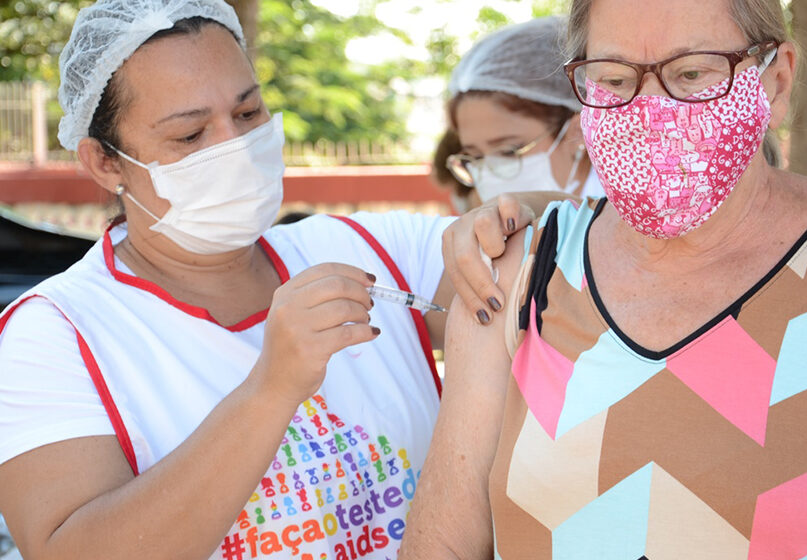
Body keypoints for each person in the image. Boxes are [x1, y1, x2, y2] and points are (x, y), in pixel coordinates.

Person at [400, 0, 807, 558]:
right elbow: (444, 545)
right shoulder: (520, 268)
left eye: (691, 74)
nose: (650, 110)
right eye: (613, 79)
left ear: (775, 81)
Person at [0, 1, 536, 559]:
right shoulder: (57, 334)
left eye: (249, 112)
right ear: (105, 163)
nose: (232, 145)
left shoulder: (364, 248)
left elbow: (535, 262)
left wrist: (507, 218)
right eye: (189, 136)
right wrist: (271, 389)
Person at [444, 16, 604, 208]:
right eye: (476, 158)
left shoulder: (629, 219)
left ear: (578, 132)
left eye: (508, 151)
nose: (489, 175)